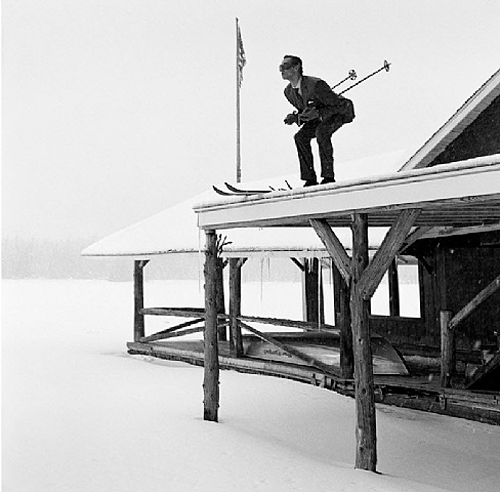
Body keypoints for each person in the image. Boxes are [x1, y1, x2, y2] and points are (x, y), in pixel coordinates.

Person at [280, 55, 344, 187]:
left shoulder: (316, 84)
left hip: (338, 113)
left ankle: (328, 177)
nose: (282, 70)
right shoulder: (288, 92)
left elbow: (338, 105)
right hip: (318, 116)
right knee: (300, 137)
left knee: (322, 133)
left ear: (296, 67)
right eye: (280, 67)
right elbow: (305, 110)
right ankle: (309, 179)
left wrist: (319, 113)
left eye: (285, 66)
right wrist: (296, 117)